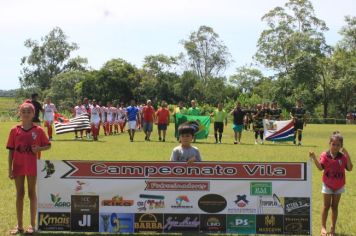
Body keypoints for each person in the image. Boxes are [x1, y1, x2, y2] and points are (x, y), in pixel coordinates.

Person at [7, 100, 51, 235]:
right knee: (20, 194)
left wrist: (39, 148)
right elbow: (11, 151)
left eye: (29, 111)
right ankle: (19, 225)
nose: (26, 113)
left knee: (32, 194)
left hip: (33, 166)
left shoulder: (38, 130)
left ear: (33, 114)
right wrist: (10, 169)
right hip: (18, 167)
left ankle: (32, 225)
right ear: (19, 113)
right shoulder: (14, 130)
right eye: (23, 111)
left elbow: (48, 145)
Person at [309, 131, 353, 236]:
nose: (335, 147)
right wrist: (314, 158)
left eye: (338, 145)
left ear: (341, 146)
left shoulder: (343, 157)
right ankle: (323, 227)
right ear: (329, 144)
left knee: (335, 206)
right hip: (327, 185)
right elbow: (320, 168)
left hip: (339, 185)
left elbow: (350, 168)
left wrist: (347, 154)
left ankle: (333, 227)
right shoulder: (325, 155)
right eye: (333, 144)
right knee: (326, 206)